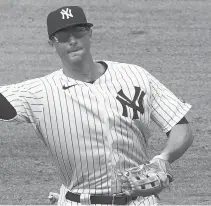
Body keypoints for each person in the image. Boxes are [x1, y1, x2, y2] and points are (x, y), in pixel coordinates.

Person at [0, 5, 194, 206]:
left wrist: (164, 158)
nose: (73, 40)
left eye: (79, 31)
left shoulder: (135, 75)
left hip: (141, 201)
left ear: (89, 33)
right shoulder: (39, 92)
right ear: (52, 43)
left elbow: (179, 125)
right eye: (63, 36)